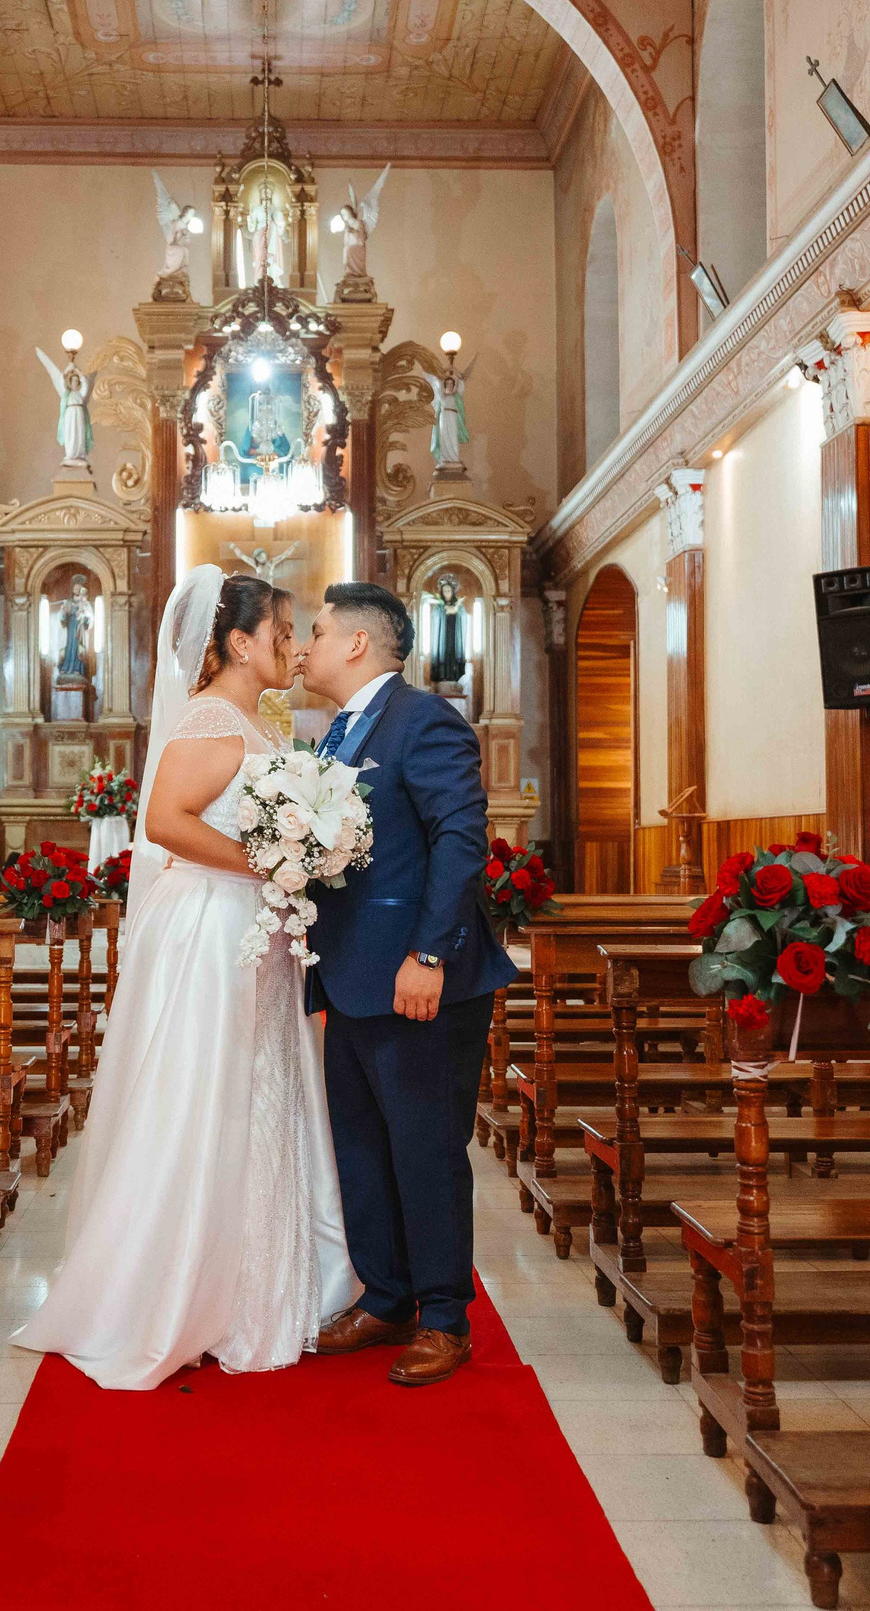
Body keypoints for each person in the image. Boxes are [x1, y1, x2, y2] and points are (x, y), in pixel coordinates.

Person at [13, 569, 355, 1388]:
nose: (292, 643)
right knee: (206, 1096)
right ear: (239, 641)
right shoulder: (209, 715)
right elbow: (166, 823)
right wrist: (267, 866)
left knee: (257, 1094)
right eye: (280, 628)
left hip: (251, 928)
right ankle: (177, 1289)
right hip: (212, 928)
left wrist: (291, 864)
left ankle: (256, 1278)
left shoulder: (256, 718)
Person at [295, 581, 515, 1386]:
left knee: (424, 1147)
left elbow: (461, 838)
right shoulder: (338, 734)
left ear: (357, 643)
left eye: (316, 631)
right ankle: (384, 1294)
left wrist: (429, 953)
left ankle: (445, 1315)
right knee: (360, 1144)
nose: (304, 646)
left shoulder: (423, 720)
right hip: (350, 977)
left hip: (420, 979)